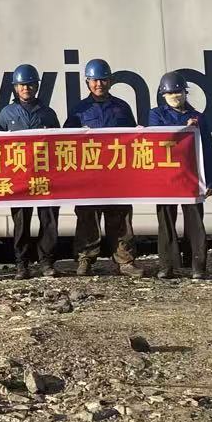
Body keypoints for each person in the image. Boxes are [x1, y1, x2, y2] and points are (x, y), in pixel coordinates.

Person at [64, 57, 143, 277]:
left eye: (103, 80)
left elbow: (133, 139)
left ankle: (125, 260)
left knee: (121, 217)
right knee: (87, 217)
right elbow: (66, 141)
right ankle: (85, 259)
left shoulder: (122, 108)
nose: (99, 84)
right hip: (89, 175)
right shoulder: (79, 110)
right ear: (87, 82)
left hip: (117, 174)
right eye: (95, 80)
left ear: (110, 81)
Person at [146, 71, 212, 280]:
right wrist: (183, 130)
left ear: (185, 93)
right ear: (163, 95)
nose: (175, 96)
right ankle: (167, 266)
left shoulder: (198, 117)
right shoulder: (156, 115)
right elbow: (157, 136)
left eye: (178, 92)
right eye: (170, 93)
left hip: (191, 177)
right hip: (165, 177)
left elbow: (208, 149)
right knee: (166, 222)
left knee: (195, 222)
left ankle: (198, 266)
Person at [0, 63, 60, 279]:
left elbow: (60, 144)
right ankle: (21, 264)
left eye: (31, 84)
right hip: (19, 178)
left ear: (37, 87)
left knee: (48, 220)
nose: (26, 88)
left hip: (44, 176)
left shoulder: (48, 113)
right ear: (15, 88)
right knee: (21, 222)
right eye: (22, 85)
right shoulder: (6, 114)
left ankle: (46, 262)